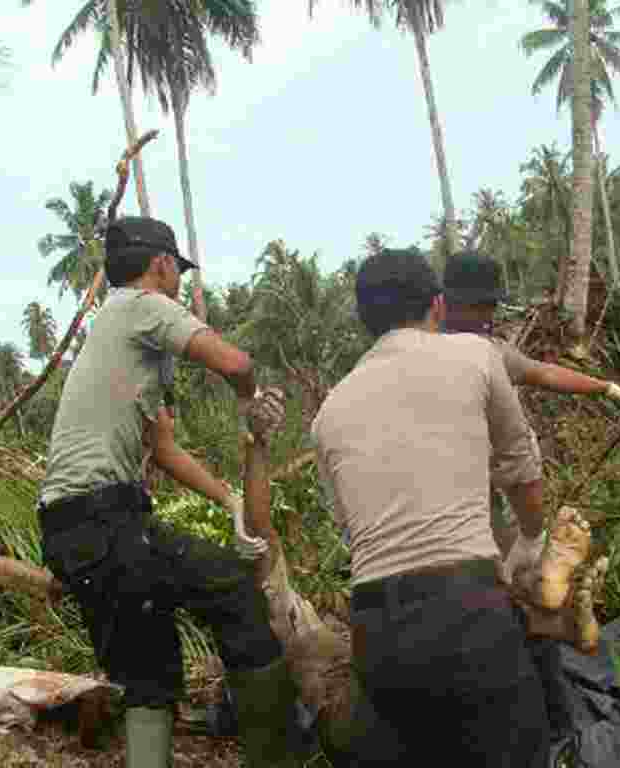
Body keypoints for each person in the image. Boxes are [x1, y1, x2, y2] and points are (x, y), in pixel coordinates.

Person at [37, 216, 302, 768]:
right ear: (161, 264)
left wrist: (229, 500)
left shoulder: (120, 333)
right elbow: (237, 363)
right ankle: (277, 757)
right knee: (234, 590)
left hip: (76, 530)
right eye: (176, 270)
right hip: (106, 523)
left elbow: (163, 450)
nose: (178, 280)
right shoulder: (142, 306)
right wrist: (250, 402)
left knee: (149, 675)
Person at [311, 247, 554, 767]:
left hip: (375, 630)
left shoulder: (329, 411)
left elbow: (351, 530)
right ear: (438, 306)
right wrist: (531, 538)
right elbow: (519, 464)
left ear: (364, 321)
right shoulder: (476, 356)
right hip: (466, 612)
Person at [440, 251, 620, 552]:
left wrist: (609, 389)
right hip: (450, 498)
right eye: (482, 306)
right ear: (449, 303)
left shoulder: (487, 350)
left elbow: (543, 373)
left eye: (491, 306)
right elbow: (516, 458)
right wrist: (532, 535)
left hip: (480, 493)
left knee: (503, 553)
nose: (489, 315)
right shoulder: (461, 353)